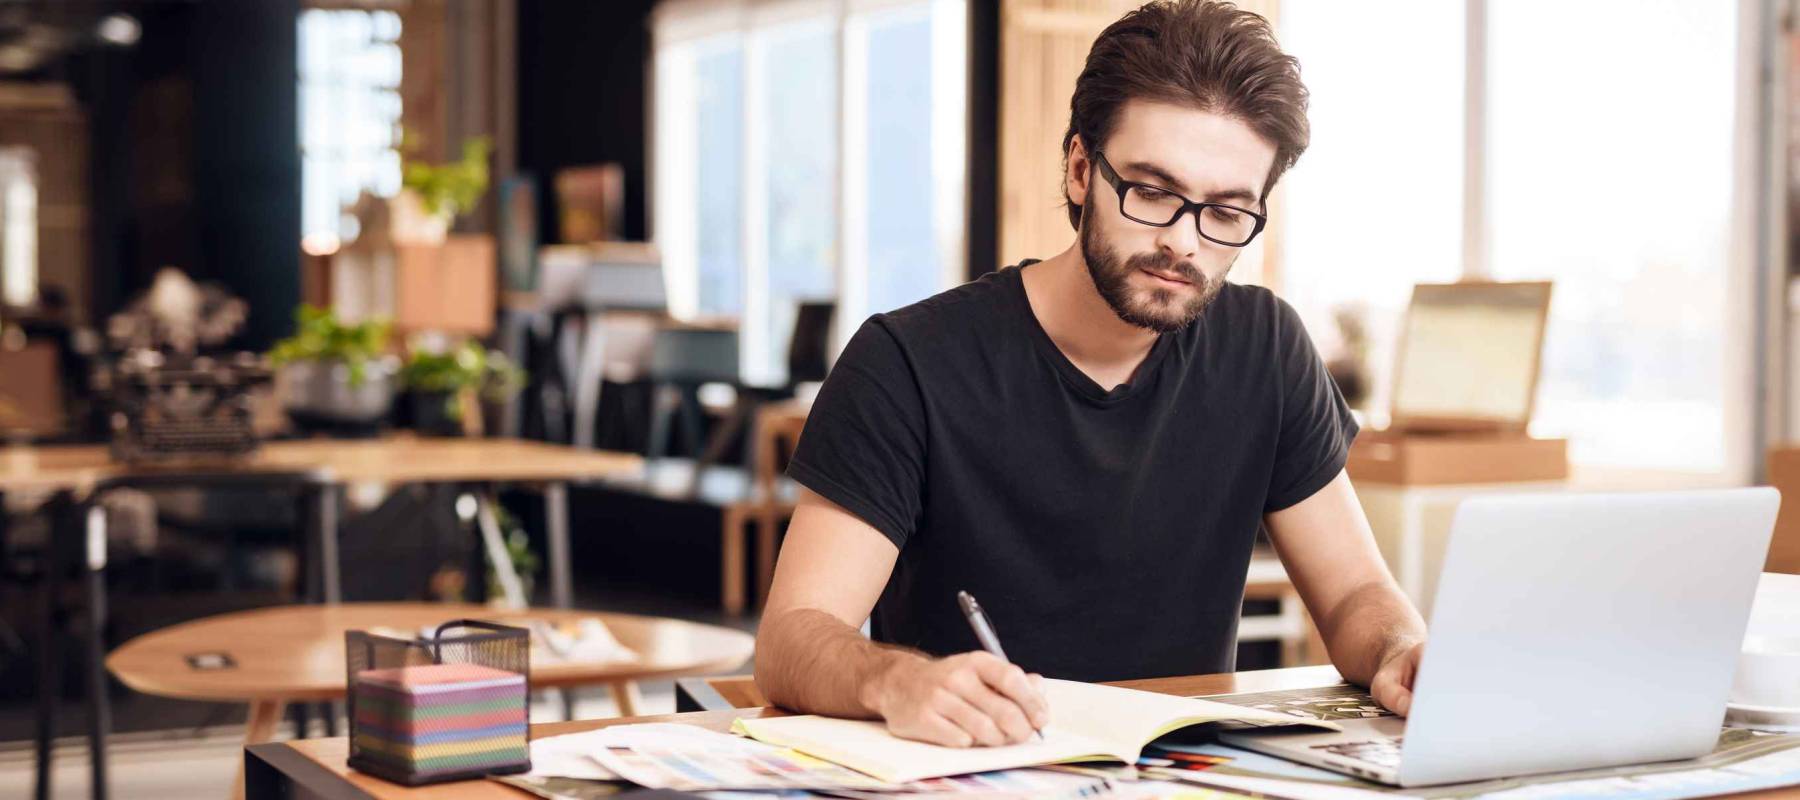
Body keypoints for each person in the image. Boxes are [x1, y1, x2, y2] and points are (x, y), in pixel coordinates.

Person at [754, 0, 1426, 748]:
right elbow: (790, 639)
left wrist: (1402, 651)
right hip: (975, 775)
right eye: (1152, 192)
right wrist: (894, 680)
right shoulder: (908, 361)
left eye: (1228, 213)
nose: (1183, 242)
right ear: (1080, 170)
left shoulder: (1266, 348)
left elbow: (1357, 596)